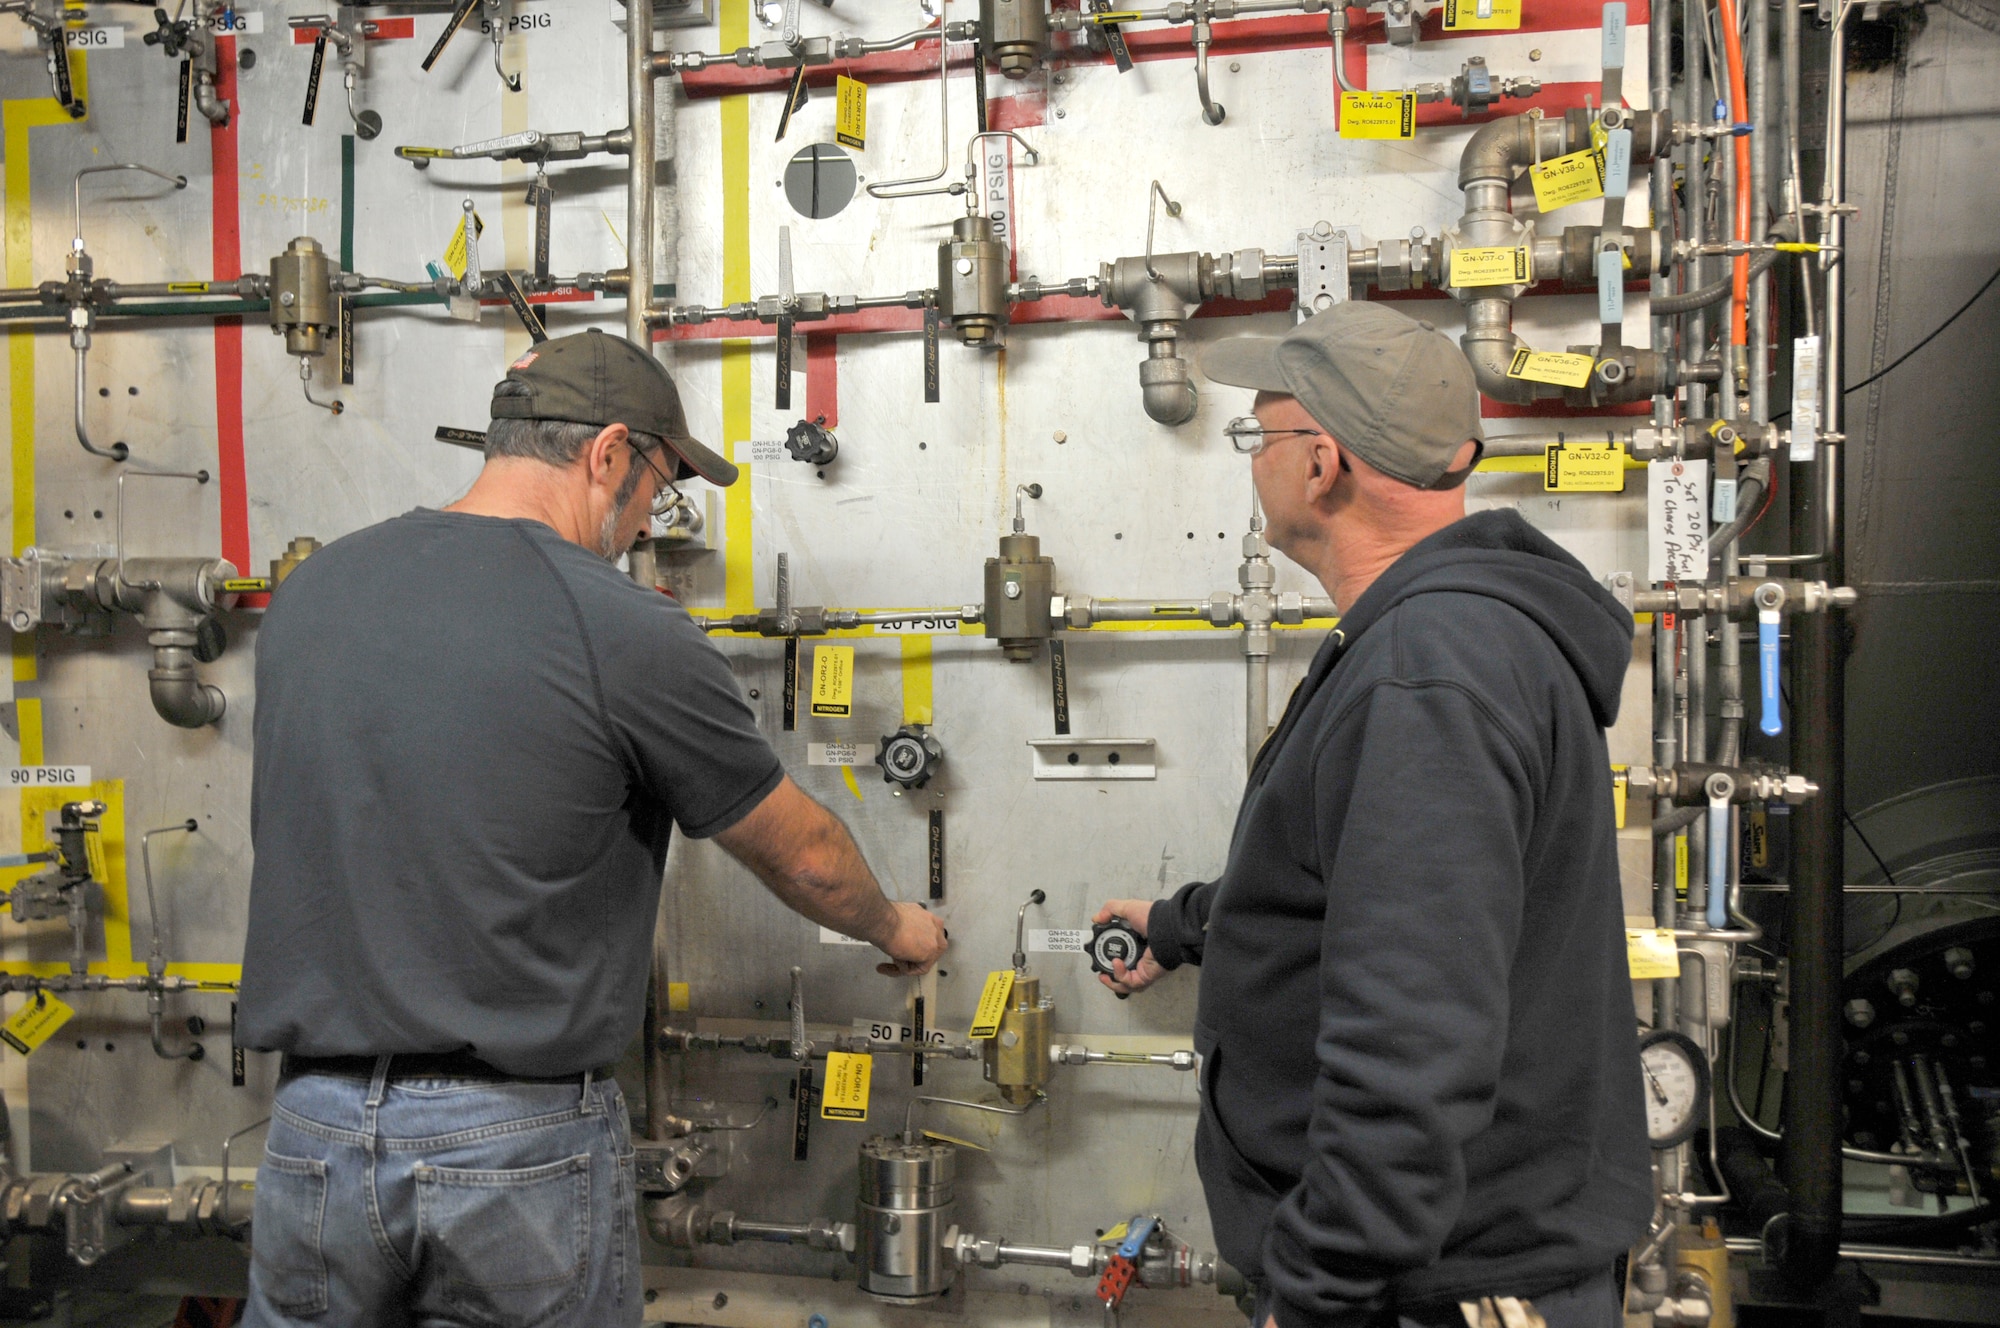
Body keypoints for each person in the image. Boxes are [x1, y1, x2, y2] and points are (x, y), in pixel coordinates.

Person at [236, 329, 947, 1327]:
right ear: (606, 453)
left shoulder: (314, 592)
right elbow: (802, 850)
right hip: (508, 1140)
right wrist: (896, 927)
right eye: (656, 482)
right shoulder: (621, 626)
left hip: (310, 1126)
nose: (647, 517)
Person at [1095, 303, 1650, 1328]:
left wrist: (1311, 1298)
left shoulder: (1425, 672)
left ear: (1320, 465)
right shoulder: (1463, 635)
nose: (1250, 461)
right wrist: (1186, 925)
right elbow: (1392, 900)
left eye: (1256, 434)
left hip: (1427, 1293)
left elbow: (1410, 1052)